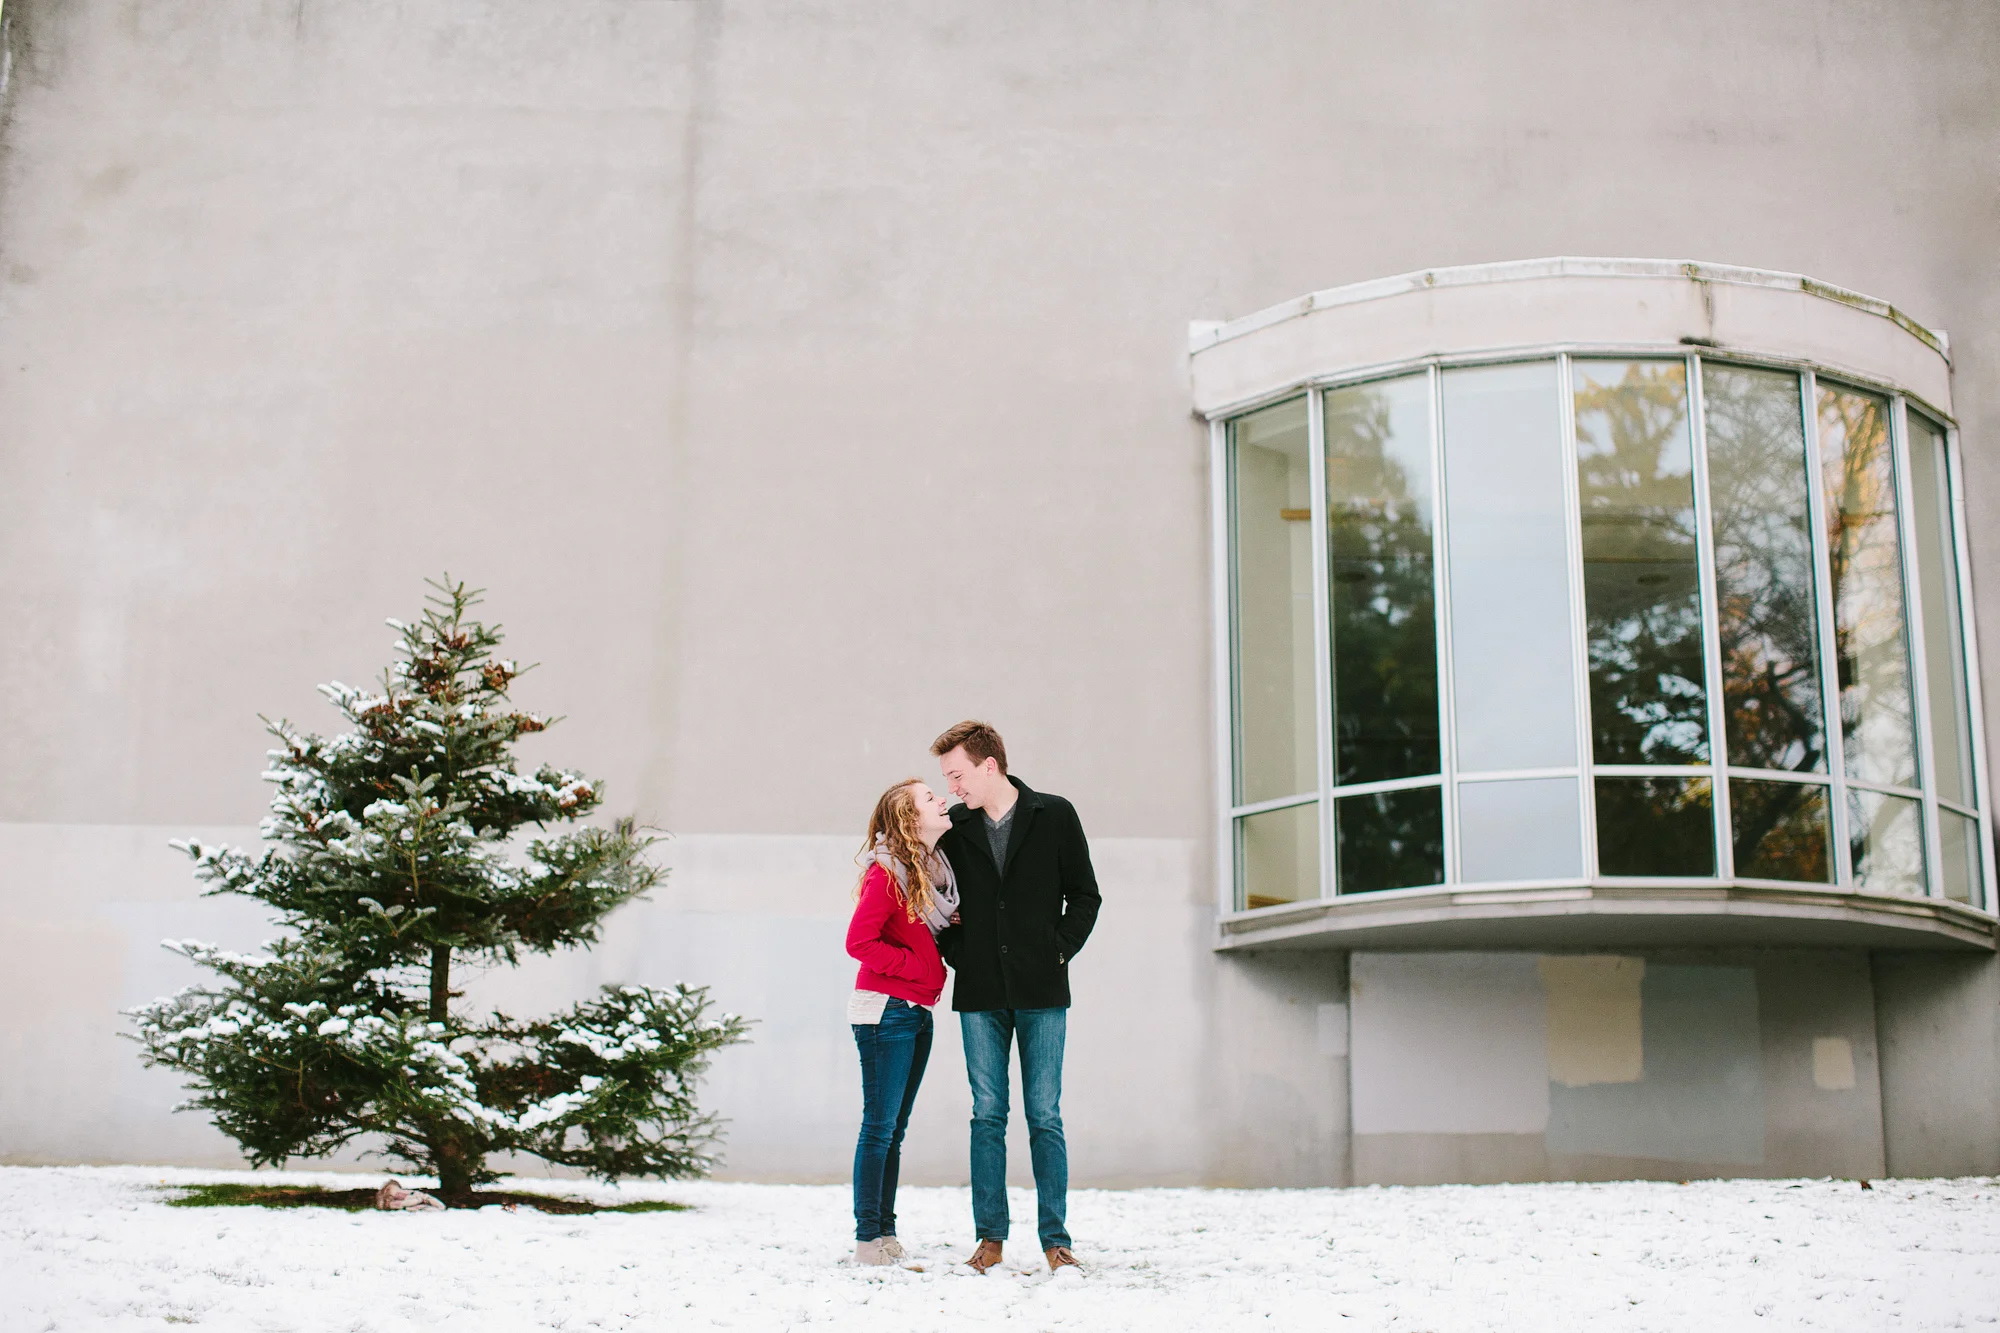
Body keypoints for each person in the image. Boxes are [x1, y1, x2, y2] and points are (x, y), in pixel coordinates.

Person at [931, 720, 1100, 1275]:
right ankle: (990, 1239)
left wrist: (1058, 951)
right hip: (979, 993)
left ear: (989, 765)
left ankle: (1055, 1239)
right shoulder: (953, 830)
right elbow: (938, 902)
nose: (953, 787)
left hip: (1041, 989)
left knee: (1045, 1115)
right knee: (987, 1114)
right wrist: (960, 951)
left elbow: (1085, 896)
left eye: (957, 775)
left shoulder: (1054, 814)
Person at [844, 778, 959, 1266]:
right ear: (911, 819)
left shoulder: (928, 875)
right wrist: (922, 968)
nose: (943, 800)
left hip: (915, 1011)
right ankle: (868, 1238)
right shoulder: (886, 875)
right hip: (885, 1011)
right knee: (879, 1127)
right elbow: (859, 943)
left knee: (894, 1128)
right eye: (930, 798)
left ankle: (885, 1231)